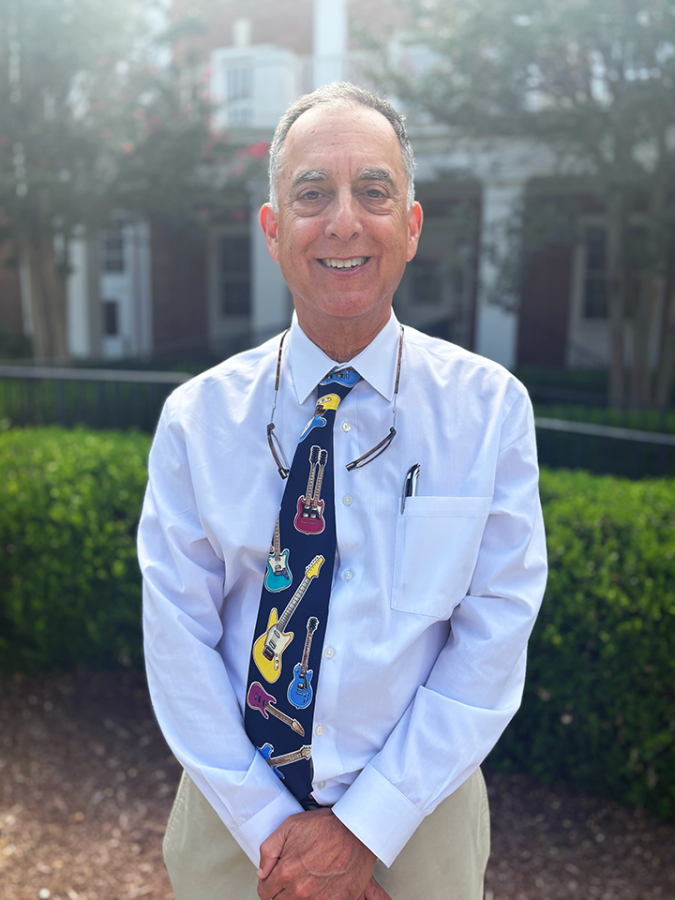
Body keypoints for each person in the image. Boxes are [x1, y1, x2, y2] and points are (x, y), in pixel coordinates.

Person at [138, 82, 548, 900]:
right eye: (312, 194)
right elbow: (177, 637)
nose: (343, 221)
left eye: (373, 191)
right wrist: (272, 829)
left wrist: (363, 828)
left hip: (419, 825)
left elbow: (494, 630)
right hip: (234, 826)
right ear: (272, 230)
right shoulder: (196, 419)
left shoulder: (489, 409)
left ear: (411, 224)